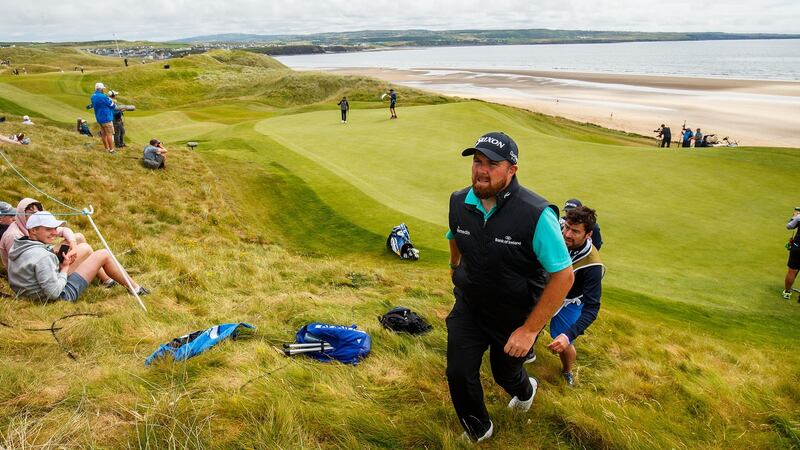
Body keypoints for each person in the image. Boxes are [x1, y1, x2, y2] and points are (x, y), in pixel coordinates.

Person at [446, 132, 574, 442]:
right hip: (470, 305)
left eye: (492, 163)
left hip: (514, 316)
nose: (481, 170)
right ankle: (479, 429)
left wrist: (529, 330)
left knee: (505, 373)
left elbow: (564, 276)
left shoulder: (536, 214)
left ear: (512, 169)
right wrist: (455, 269)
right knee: (459, 372)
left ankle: (526, 390)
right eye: (477, 162)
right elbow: (455, 237)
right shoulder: (459, 201)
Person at [7, 211, 148, 302]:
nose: (55, 232)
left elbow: (38, 262)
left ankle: (107, 280)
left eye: (55, 228)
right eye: (48, 229)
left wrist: (67, 251)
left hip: (28, 290)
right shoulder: (43, 257)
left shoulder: (19, 244)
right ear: (33, 230)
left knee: (79, 239)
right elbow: (55, 293)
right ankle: (136, 289)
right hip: (57, 296)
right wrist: (64, 269)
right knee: (103, 254)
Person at [546, 206, 605, 387]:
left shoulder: (593, 266)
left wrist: (568, 334)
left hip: (570, 302)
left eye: (575, 231)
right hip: (547, 290)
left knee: (562, 340)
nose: (567, 234)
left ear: (588, 235)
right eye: (567, 228)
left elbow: (592, 308)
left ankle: (567, 371)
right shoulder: (558, 236)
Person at [90, 82, 116, 153]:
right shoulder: (103, 96)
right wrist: (112, 101)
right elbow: (113, 106)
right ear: (101, 89)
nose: (103, 90)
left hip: (99, 118)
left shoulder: (93, 96)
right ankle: (112, 150)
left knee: (103, 134)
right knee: (109, 134)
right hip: (106, 118)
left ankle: (106, 149)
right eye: (103, 89)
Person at [784, 207, 800, 300]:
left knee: (792, 270)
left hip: (798, 247)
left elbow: (789, 226)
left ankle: (787, 292)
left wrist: (794, 217)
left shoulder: (799, 217)